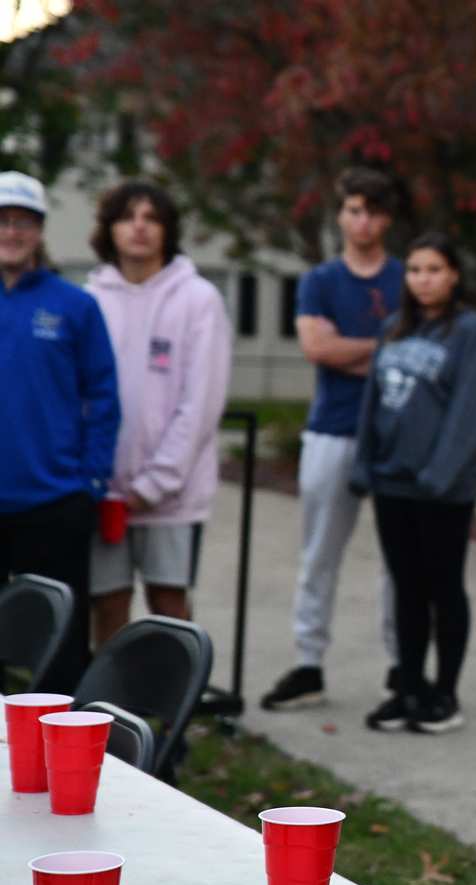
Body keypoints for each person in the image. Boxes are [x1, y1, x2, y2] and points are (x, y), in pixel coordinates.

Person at [260, 167, 403, 711]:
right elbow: (317, 349)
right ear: (340, 215)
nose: (362, 221)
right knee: (318, 553)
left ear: (386, 219)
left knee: (400, 560)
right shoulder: (320, 281)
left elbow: (420, 349)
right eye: (352, 210)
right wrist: (386, 347)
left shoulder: (405, 278)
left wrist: (353, 347)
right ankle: (308, 664)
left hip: (396, 435)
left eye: (372, 211)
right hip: (332, 431)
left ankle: (402, 666)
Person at [350, 232, 476, 733]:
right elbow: (371, 402)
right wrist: (363, 464)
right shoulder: (393, 328)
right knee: (406, 590)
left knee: (443, 588)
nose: (423, 279)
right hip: (391, 484)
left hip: (443, 490)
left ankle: (444, 695)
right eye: (415, 270)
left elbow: (474, 408)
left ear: (453, 274)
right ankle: (409, 688)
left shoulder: (469, 331)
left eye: (434, 269)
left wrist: (438, 474)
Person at [85, 181, 232, 643]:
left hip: (173, 496)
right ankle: (112, 690)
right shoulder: (90, 300)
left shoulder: (198, 299)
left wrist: (155, 484)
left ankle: (173, 691)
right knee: (108, 603)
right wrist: (95, 479)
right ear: (109, 230)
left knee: (168, 605)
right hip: (104, 492)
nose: (140, 228)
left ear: (168, 230)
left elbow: (201, 403)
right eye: (128, 217)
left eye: (151, 218)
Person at [0, 170, 120, 691]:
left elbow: (104, 397)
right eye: (2, 220)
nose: (11, 232)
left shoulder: (75, 306)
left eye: (23, 222)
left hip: (54, 502)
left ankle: (60, 738)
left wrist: (90, 480)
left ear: (40, 230)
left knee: (60, 645)